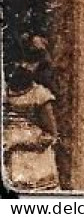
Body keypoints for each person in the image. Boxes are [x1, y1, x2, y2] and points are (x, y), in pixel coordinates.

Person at [4, 51, 60, 190]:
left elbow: (51, 134)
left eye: (30, 63)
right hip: (10, 158)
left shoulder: (39, 95)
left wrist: (22, 143)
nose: (23, 66)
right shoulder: (5, 92)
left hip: (35, 161)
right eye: (20, 62)